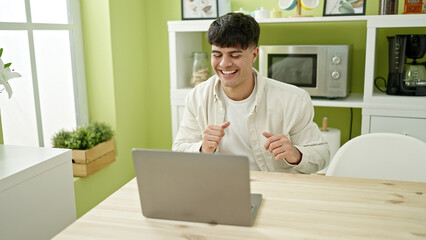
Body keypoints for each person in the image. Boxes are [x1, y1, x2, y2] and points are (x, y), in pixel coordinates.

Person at [172, 12, 329, 173]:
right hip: (218, 186)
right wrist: (203, 148)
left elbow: (322, 155)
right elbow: (179, 150)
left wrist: (295, 154)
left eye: (235, 55)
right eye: (217, 55)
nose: (224, 64)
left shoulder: (294, 99)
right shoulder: (197, 97)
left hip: (273, 189)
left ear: (254, 54)